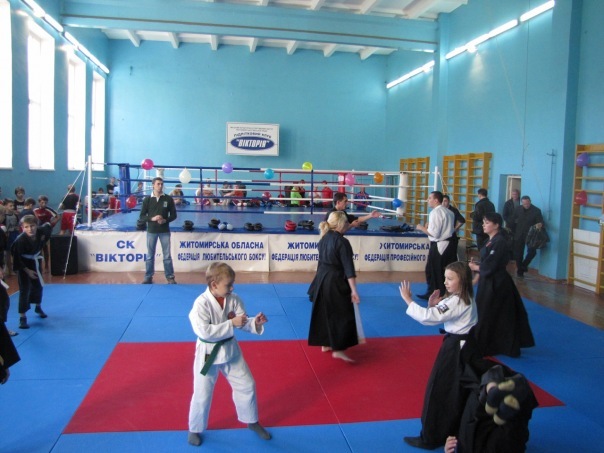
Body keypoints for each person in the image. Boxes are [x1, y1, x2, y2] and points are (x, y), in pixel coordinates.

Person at [187, 262, 271, 446]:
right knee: (202, 392)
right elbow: (204, 332)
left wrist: (254, 323)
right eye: (228, 284)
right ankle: (195, 428)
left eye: (232, 283)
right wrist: (231, 324)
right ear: (214, 284)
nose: (232, 287)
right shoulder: (201, 304)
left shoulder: (234, 299)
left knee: (247, 384)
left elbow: (241, 322)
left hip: (230, 350)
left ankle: (251, 420)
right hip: (208, 353)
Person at [399, 261, 479, 450]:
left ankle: (431, 437)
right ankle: (452, 431)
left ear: (463, 280)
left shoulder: (458, 300)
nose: (445, 282)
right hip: (466, 347)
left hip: (456, 350)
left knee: (438, 390)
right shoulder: (464, 296)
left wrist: (408, 300)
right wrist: (434, 304)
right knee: (456, 392)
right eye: (445, 278)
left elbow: (428, 317)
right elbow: (444, 310)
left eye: (450, 279)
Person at [469, 212, 535, 357]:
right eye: (484, 222)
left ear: (496, 225)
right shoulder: (490, 241)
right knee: (486, 311)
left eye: (487, 223)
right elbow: (487, 262)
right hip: (488, 281)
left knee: (493, 313)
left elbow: (491, 265)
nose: (484, 225)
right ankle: (487, 342)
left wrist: (476, 267)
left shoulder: (500, 242)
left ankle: (495, 344)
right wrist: (477, 272)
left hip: (498, 283)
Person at [308, 211, 361, 363]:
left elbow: (321, 263)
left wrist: (316, 283)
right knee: (341, 313)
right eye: (346, 223)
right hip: (335, 280)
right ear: (340, 224)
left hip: (322, 278)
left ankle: (325, 344)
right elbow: (348, 268)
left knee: (324, 311)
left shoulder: (324, 238)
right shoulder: (342, 242)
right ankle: (338, 349)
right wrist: (354, 290)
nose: (347, 225)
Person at [11, 215, 53, 329]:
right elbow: (16, 259)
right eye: (26, 227)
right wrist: (27, 271)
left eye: (32, 226)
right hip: (23, 264)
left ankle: (38, 307)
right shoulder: (20, 240)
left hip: (35, 260)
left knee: (38, 285)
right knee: (24, 289)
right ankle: (22, 317)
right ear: (22, 228)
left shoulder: (42, 231)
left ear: (37, 225)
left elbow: (48, 226)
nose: (30, 229)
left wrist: (44, 238)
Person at [415, 191, 456, 299]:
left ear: (436, 200)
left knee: (434, 271)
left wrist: (421, 228)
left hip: (439, 245)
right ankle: (440, 293)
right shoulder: (449, 212)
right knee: (440, 270)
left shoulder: (435, 212)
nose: (428, 200)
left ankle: (436, 294)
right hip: (449, 244)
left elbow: (434, 233)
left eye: (430, 198)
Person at [138, 177, 177, 284]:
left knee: (167, 255)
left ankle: (170, 277)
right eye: (158, 184)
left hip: (164, 230)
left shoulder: (168, 199)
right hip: (151, 231)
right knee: (150, 255)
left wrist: (165, 220)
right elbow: (142, 216)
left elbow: (174, 215)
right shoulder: (147, 200)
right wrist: (152, 218)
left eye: (161, 184)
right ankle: (148, 276)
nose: (160, 186)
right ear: (153, 185)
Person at [512, 196, 544, 277]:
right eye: (524, 204)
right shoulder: (518, 209)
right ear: (522, 203)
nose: (526, 205)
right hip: (519, 234)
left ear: (530, 201)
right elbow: (512, 220)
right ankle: (520, 270)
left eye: (528, 203)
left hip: (531, 235)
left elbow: (540, 222)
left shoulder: (536, 211)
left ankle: (524, 265)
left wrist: (539, 224)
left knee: (532, 252)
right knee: (518, 253)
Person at [34, 196, 60, 273]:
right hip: (38, 231)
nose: (44, 204)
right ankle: (39, 265)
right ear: (39, 202)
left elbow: (58, 216)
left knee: (45, 247)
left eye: (45, 203)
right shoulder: (35, 210)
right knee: (38, 248)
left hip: (46, 231)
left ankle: (46, 265)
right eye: (42, 202)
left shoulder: (48, 210)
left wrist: (52, 224)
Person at [3, 200, 19, 275]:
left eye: (13, 206)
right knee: (8, 253)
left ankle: (16, 268)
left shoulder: (15, 215)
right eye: (10, 206)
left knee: (15, 251)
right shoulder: (4, 216)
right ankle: (9, 270)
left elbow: (18, 224)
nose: (12, 207)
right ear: (5, 206)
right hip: (8, 235)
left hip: (15, 234)